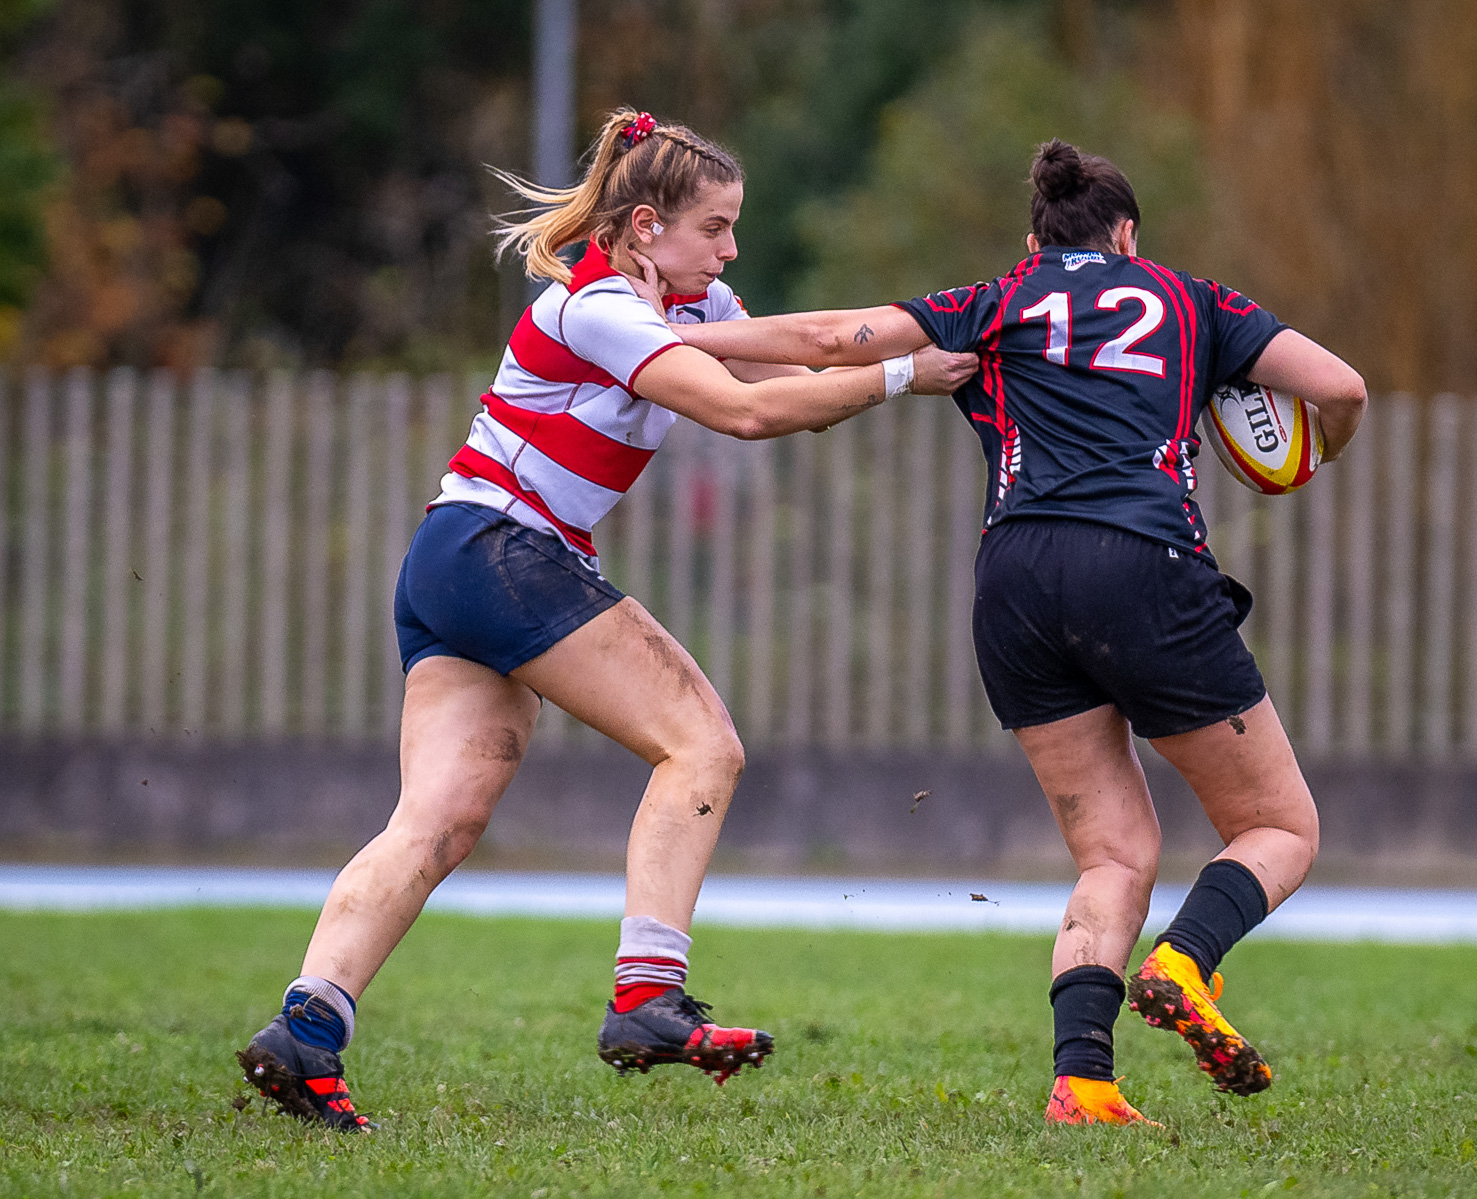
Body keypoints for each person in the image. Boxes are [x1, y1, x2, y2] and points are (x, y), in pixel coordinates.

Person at [234, 107, 977, 1130]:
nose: (728, 248)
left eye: (731, 227)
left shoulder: (693, 298)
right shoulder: (594, 306)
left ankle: (307, 1028)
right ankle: (646, 1000)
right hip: (503, 552)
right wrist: (907, 371)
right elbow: (749, 412)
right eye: (712, 227)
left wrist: (931, 368)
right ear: (639, 229)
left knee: (437, 818)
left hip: (455, 557)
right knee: (702, 747)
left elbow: (796, 371)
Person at [673, 139, 1367, 1126]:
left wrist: (672, 338)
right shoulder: (1191, 300)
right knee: (1278, 826)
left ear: (1032, 238)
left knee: (1113, 852)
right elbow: (1340, 388)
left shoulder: (996, 303)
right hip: (1142, 562)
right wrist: (1305, 459)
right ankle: (1185, 961)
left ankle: (1082, 1080)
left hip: (1017, 581)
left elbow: (831, 338)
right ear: (1128, 235)